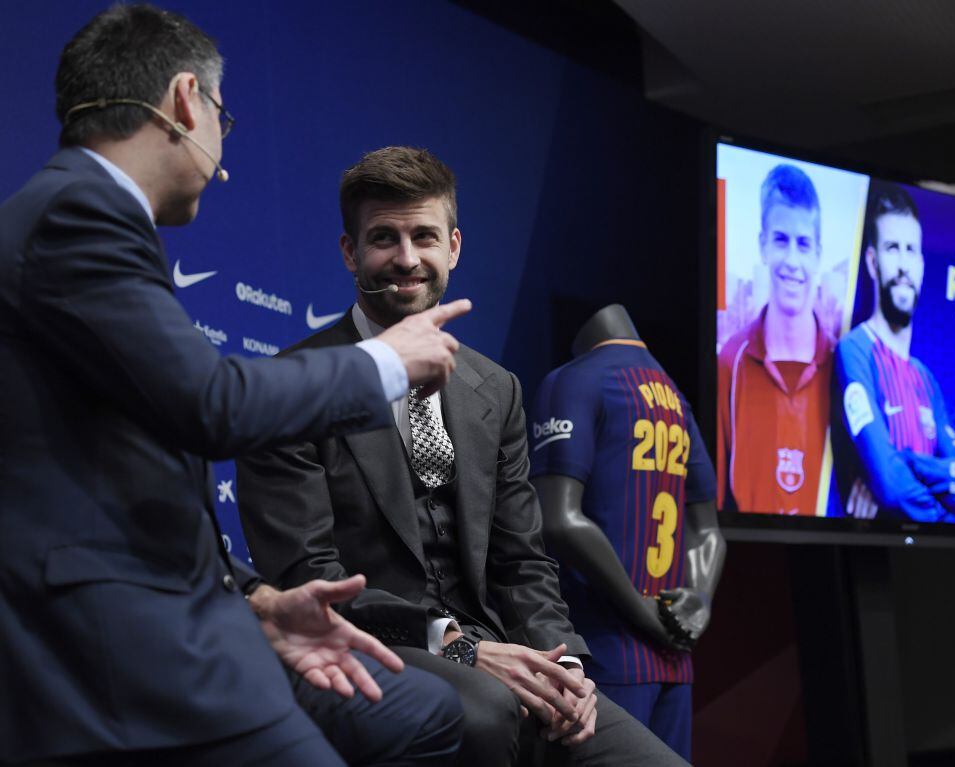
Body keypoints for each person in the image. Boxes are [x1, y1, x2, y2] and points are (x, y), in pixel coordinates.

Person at [0, 6, 468, 765]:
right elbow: (211, 405)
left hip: (195, 613)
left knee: (421, 713)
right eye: (223, 117)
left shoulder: (83, 217)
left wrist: (258, 604)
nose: (223, 154)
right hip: (121, 645)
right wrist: (387, 360)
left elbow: (117, 463)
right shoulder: (78, 214)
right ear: (188, 100)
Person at [237, 146, 691, 766]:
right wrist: (454, 647)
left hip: (504, 653)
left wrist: (567, 666)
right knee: (483, 713)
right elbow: (307, 577)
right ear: (350, 253)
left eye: (424, 236)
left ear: (453, 246)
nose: (406, 258)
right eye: (383, 238)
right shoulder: (295, 385)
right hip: (378, 649)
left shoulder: (495, 387)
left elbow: (522, 560)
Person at [529, 304, 725, 760]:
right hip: (674, 654)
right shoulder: (673, 395)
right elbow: (709, 528)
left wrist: (642, 612)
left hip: (604, 652)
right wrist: (699, 604)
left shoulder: (575, 379)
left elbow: (557, 518)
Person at [831, 181, 955, 521]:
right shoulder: (855, 351)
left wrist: (904, 461)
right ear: (872, 261)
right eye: (893, 248)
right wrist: (938, 503)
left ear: (922, 265)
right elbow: (891, 488)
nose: (904, 265)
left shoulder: (925, 378)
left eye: (911, 250)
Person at [717, 163, 832, 516]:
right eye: (781, 240)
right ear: (763, 245)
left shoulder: (844, 367)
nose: (792, 261)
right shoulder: (729, 362)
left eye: (804, 244)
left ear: (818, 253)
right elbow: (713, 505)